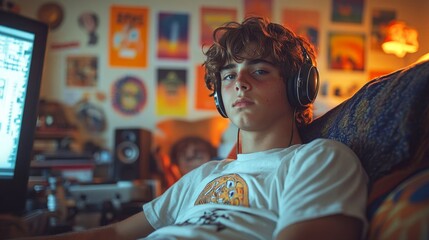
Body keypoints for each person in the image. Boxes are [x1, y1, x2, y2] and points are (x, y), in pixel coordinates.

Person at [25, 16, 368, 240]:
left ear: (298, 87)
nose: (240, 83)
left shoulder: (319, 159)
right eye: (229, 75)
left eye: (259, 70)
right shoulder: (204, 175)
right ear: (219, 97)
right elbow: (115, 233)